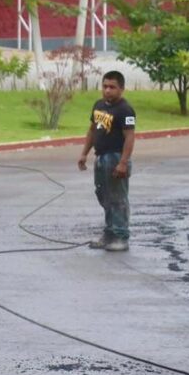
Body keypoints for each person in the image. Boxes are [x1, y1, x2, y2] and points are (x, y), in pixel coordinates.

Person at [78, 70, 136, 252]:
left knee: (118, 198)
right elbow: (92, 131)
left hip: (116, 157)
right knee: (104, 196)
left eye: (112, 87)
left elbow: (130, 137)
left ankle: (120, 236)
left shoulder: (125, 110)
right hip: (101, 157)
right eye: (105, 86)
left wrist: (123, 163)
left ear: (121, 89)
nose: (107, 90)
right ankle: (109, 233)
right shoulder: (99, 105)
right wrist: (84, 153)